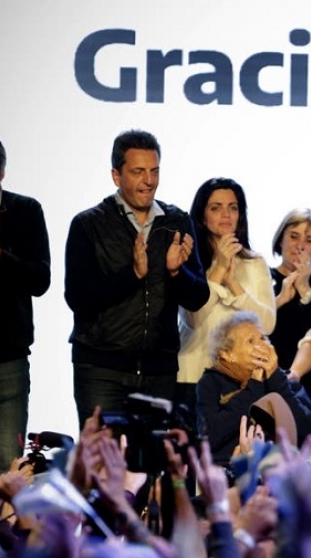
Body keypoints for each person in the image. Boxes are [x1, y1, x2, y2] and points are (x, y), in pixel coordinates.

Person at [64, 130, 208, 426]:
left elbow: (198, 297)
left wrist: (176, 272)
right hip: (101, 371)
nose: (149, 181)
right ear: (116, 176)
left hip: (159, 372)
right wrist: (132, 275)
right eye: (138, 172)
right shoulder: (88, 224)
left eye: (154, 171)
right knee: (102, 468)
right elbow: (78, 298)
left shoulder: (177, 222)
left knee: (154, 469)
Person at [0, 132, 51, 477]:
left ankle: (5, 533)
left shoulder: (25, 211)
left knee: (9, 474)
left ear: (2, 174)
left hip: (6, 363)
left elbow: (40, 280)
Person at [177, 178, 276, 423]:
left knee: (235, 458)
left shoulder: (255, 263)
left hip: (240, 379)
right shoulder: (187, 260)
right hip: (192, 376)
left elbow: (267, 324)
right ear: (201, 216)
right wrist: (218, 270)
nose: (226, 214)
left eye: (233, 207)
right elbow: (194, 319)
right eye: (216, 207)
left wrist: (233, 284)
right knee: (191, 459)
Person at [196, 312, 311, 466]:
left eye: (263, 338)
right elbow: (211, 436)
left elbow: (308, 431)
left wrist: (275, 378)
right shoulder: (212, 382)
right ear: (227, 354)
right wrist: (254, 386)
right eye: (251, 341)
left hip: (278, 474)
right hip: (230, 471)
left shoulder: (283, 379)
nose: (261, 346)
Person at [267, 208, 311, 475]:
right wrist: (281, 299)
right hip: (271, 394)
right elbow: (255, 330)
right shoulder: (265, 278)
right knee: (271, 476)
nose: (300, 246)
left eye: (309, 240)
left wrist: (305, 288)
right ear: (280, 239)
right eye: (293, 236)